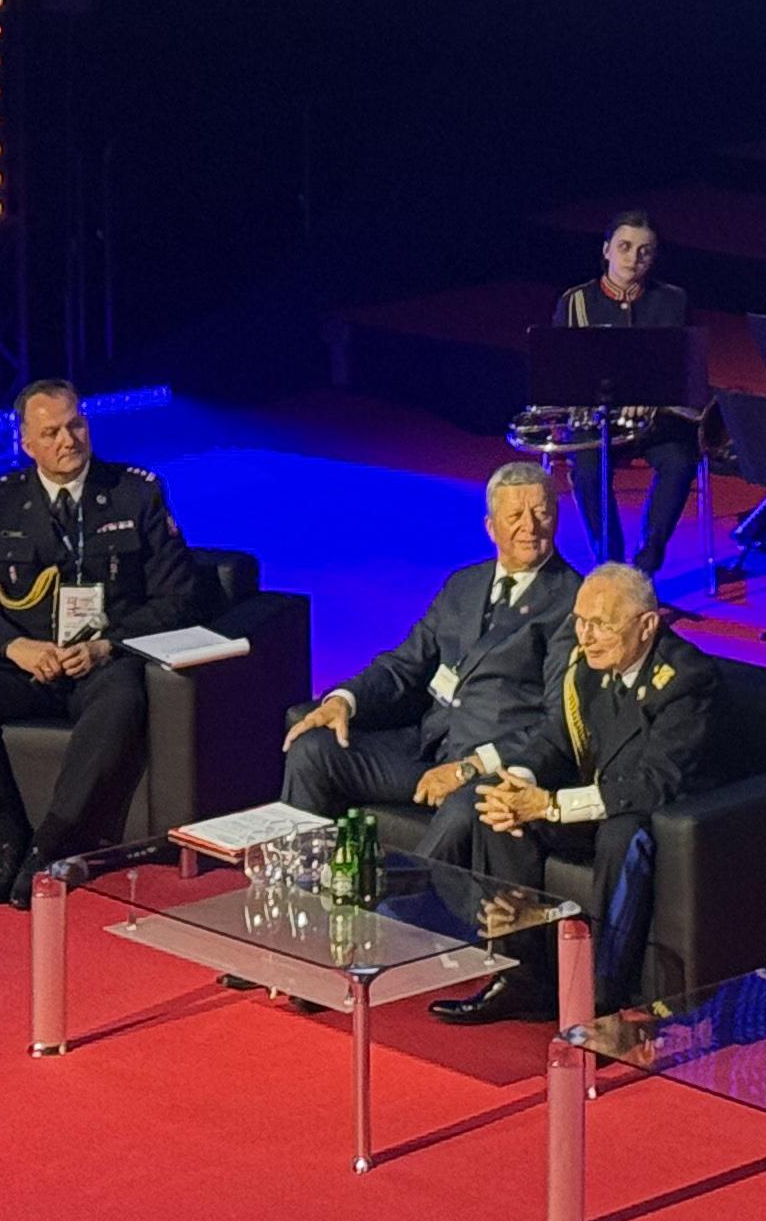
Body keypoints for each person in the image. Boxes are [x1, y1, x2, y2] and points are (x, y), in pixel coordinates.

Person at [0, 383, 208, 904]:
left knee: (123, 698)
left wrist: (107, 645)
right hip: (27, 662)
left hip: (101, 663)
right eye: (51, 433)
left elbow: (179, 597)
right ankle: (8, 836)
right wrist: (14, 647)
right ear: (27, 443)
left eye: (75, 426)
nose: (68, 440)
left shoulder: (135, 492)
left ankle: (48, 845)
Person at [279, 460, 580, 860]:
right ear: (491, 527)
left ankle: (404, 899)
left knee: (463, 810)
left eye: (541, 513)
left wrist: (469, 768)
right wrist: (344, 700)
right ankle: (302, 880)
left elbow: (557, 721)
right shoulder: (464, 584)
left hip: (490, 764)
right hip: (427, 745)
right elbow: (405, 663)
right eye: (515, 516)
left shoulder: (572, 601)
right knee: (313, 751)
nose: (530, 526)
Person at [461, 564, 721, 1019]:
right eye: (580, 622)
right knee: (498, 808)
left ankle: (602, 996)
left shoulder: (686, 680)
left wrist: (551, 806)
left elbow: (656, 784)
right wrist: (520, 780)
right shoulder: (588, 667)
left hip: (669, 820)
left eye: (601, 624)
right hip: (601, 805)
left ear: (647, 625)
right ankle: (522, 975)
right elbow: (557, 739)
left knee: (624, 834)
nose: (586, 637)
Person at [556, 214, 701, 570]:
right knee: (588, 471)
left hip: (655, 422)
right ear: (606, 250)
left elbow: (684, 369)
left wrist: (652, 395)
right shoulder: (575, 301)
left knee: (680, 461)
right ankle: (611, 564)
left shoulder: (673, 300)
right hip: (595, 422)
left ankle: (647, 563)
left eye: (644, 251)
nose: (633, 258)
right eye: (624, 247)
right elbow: (561, 373)